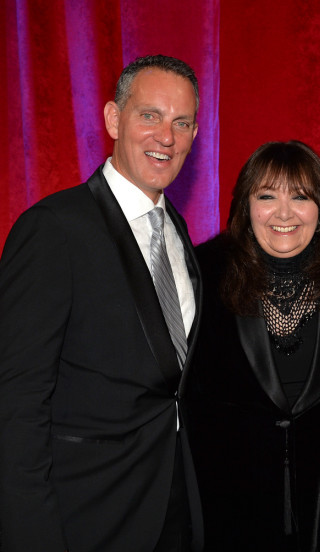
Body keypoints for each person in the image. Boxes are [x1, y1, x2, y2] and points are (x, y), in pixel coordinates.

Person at [0, 55, 203, 552]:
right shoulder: (53, 229)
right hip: (86, 518)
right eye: (150, 116)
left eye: (181, 123)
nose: (166, 137)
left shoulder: (179, 231)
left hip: (173, 512)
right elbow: (17, 403)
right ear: (114, 118)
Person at [185, 141, 320, 552]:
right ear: (246, 205)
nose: (283, 213)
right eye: (267, 196)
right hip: (229, 501)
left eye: (300, 197)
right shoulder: (204, 270)